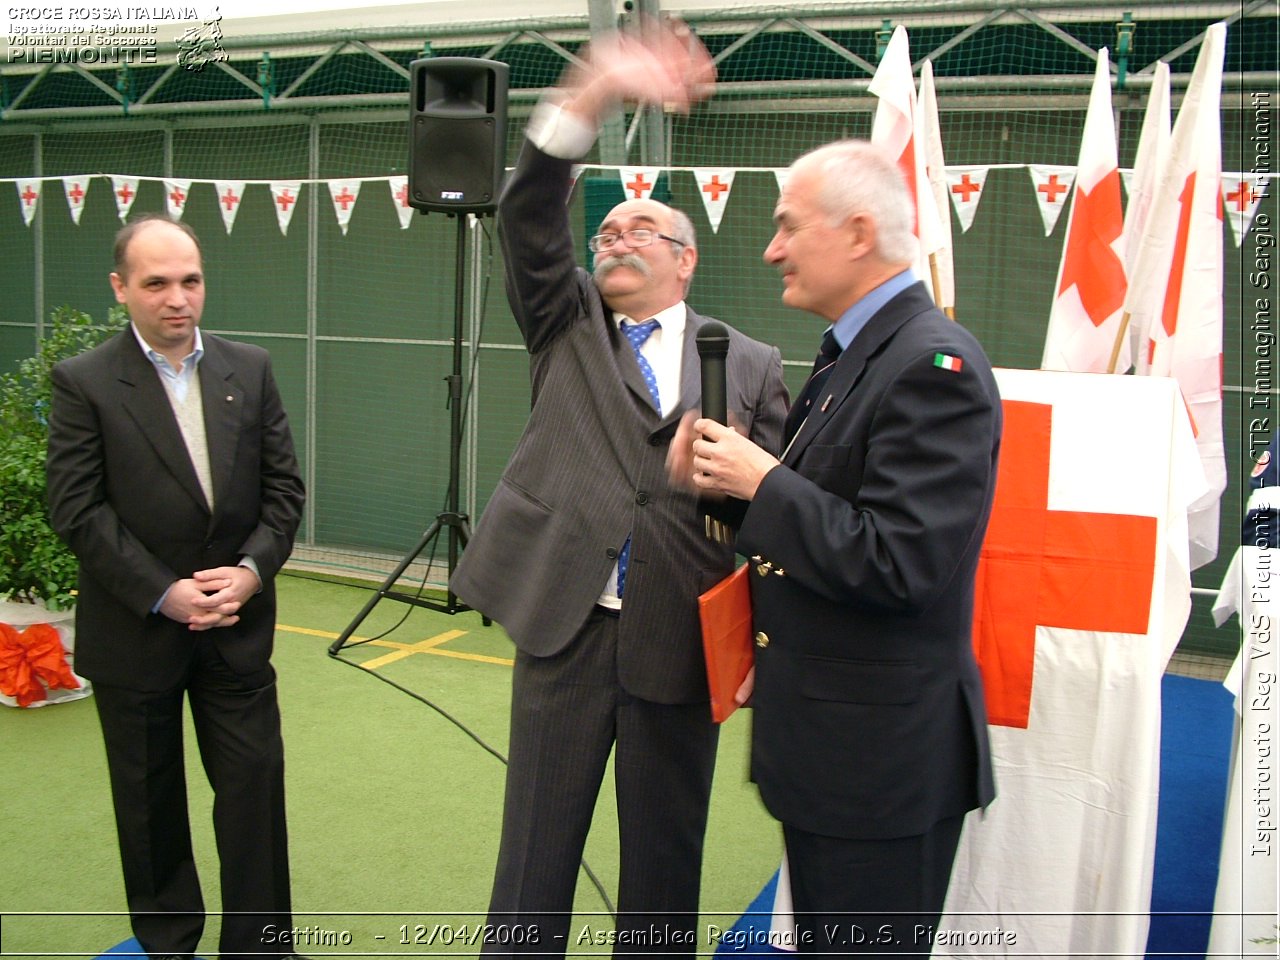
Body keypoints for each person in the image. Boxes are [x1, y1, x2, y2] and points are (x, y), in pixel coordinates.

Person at [448, 20, 788, 957]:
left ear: (686, 260)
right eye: (605, 230)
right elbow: (527, 215)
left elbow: (774, 513)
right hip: (565, 628)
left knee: (665, 873)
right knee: (533, 863)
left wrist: (761, 633)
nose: (616, 239)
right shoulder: (566, 323)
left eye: (643, 228)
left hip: (682, 639)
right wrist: (591, 93)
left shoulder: (750, 363)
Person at [671, 141, 1001, 955]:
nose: (770, 248)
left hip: (880, 771)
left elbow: (900, 563)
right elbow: (822, 527)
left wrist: (762, 482)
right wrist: (723, 483)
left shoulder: (932, 364)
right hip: (834, 754)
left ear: (858, 234)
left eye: (787, 226)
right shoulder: (852, 357)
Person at [46, 214, 306, 960]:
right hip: (137, 635)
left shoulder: (248, 369)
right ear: (120, 288)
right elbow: (77, 508)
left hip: (237, 632)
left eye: (189, 279)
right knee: (150, 806)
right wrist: (164, 592)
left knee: (254, 792)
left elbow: (283, 490)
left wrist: (251, 573)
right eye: (156, 283)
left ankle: (261, 947)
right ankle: (169, 946)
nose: (177, 298)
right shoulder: (84, 382)